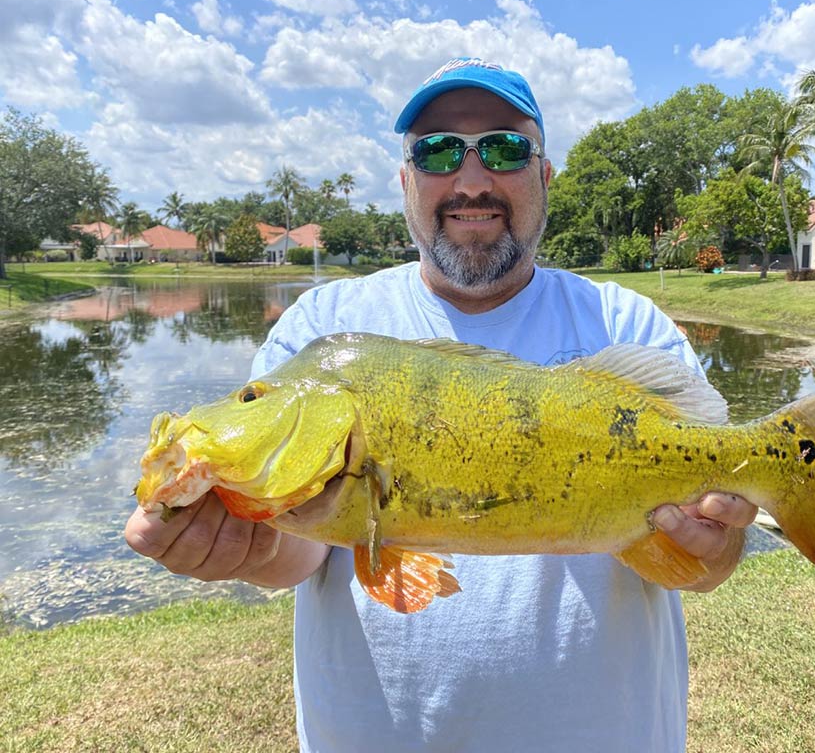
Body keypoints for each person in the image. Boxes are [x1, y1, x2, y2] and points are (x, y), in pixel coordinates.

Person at [125, 57, 757, 752]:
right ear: (405, 181)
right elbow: (296, 557)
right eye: (437, 151)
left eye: (505, 148)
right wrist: (243, 550)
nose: (472, 178)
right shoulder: (321, 332)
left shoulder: (628, 328)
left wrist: (711, 543)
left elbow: (707, 566)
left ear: (544, 176)